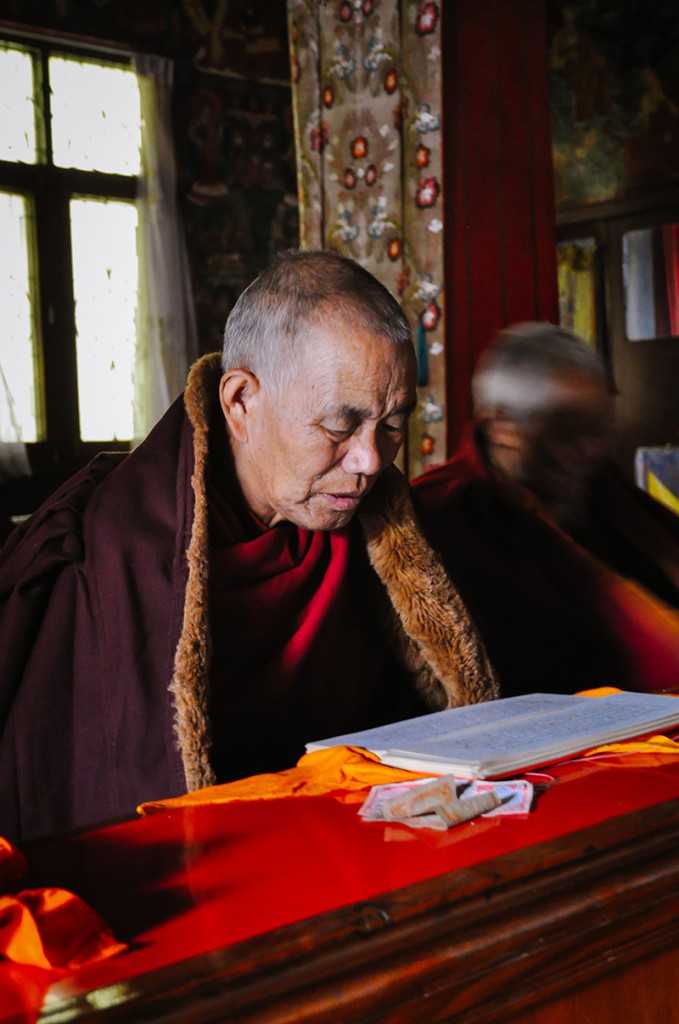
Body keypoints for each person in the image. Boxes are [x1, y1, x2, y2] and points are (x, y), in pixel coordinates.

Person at [0, 250, 497, 843]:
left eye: (392, 425)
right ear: (239, 403)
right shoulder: (113, 552)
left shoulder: (372, 527)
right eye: (339, 426)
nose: (368, 462)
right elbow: (91, 792)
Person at [413, 321, 679, 698]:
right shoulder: (441, 512)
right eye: (568, 432)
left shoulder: (601, 488)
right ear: (500, 426)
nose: (592, 451)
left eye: (600, 430)